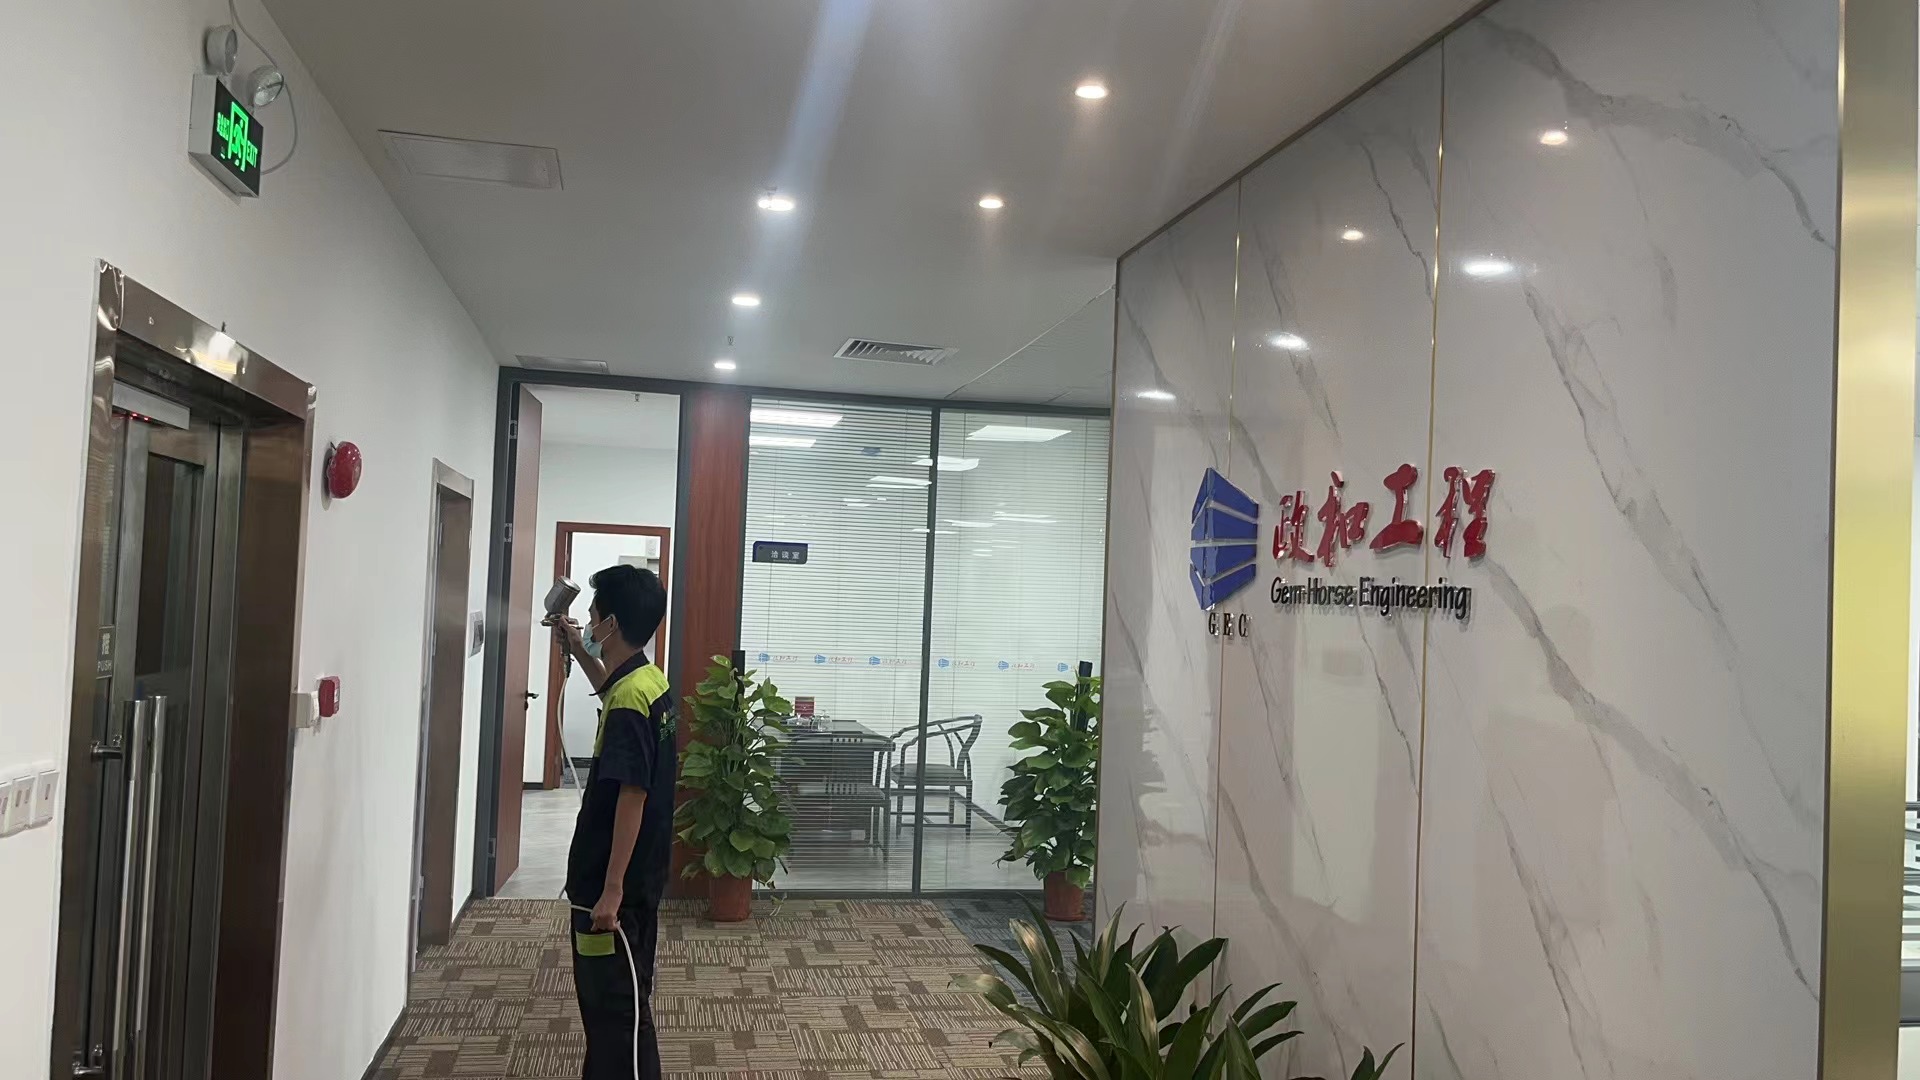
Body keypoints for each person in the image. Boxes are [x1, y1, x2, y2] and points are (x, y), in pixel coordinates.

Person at [550, 564, 675, 1080]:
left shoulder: (628, 702)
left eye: (593, 615)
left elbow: (632, 794)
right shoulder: (648, 680)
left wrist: (611, 890)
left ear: (611, 624)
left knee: (615, 1013)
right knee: (621, 1003)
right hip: (641, 876)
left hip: (612, 888)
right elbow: (611, 689)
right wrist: (578, 650)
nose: (588, 621)